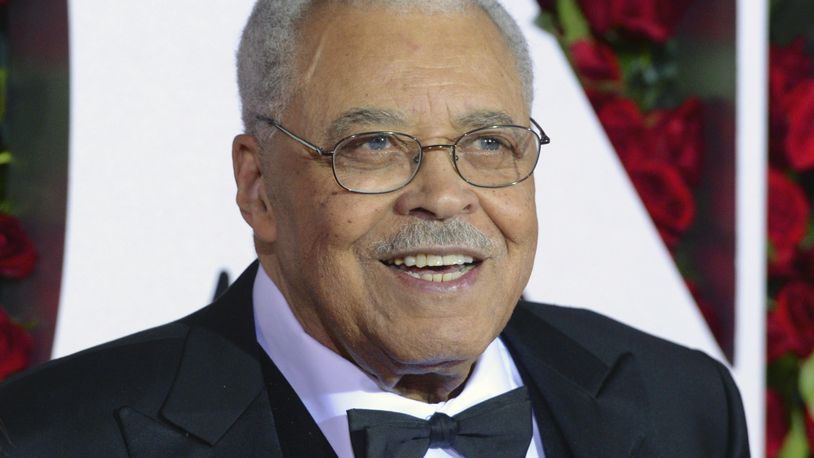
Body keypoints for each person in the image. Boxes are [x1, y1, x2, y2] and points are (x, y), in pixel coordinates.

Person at [0, 0, 749, 456]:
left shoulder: (685, 406)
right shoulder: (47, 439)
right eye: (373, 145)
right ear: (258, 188)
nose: (444, 197)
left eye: (489, 143)